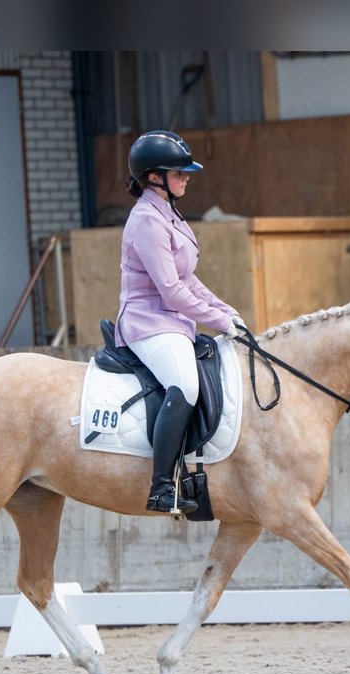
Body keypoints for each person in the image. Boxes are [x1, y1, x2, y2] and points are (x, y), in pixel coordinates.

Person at [115, 130, 245, 515]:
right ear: (155, 177)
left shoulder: (168, 213)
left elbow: (188, 280)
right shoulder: (147, 222)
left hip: (172, 323)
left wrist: (228, 312)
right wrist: (219, 320)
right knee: (185, 383)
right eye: (179, 172)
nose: (187, 177)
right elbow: (171, 291)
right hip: (148, 323)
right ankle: (160, 488)